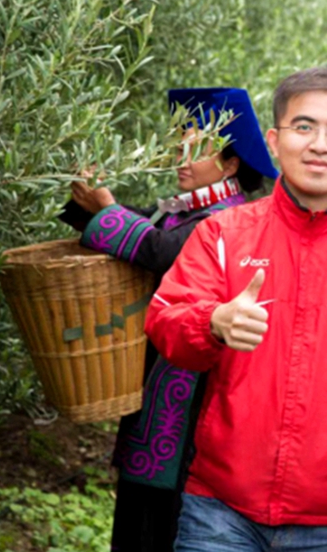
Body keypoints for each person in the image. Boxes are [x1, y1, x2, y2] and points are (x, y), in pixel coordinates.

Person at [144, 68, 327, 552]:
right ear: (275, 141)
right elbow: (165, 321)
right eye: (304, 127)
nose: (320, 144)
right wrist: (212, 322)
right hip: (219, 509)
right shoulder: (223, 235)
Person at [64, 87, 277, 552]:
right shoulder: (188, 212)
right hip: (165, 391)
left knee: (166, 519)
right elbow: (140, 227)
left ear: (230, 164)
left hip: (196, 404)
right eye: (178, 144)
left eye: (195, 147)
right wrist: (90, 204)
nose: (180, 156)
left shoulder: (229, 220)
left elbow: (162, 252)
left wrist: (107, 211)